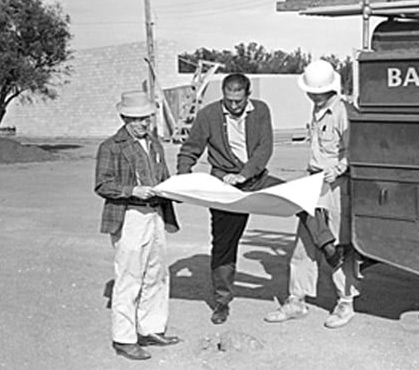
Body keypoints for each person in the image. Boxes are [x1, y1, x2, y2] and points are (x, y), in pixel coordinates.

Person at [176, 73, 282, 325]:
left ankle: (329, 248)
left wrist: (244, 174)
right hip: (224, 185)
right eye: (228, 100)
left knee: (304, 200)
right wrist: (183, 177)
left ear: (248, 95)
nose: (233, 106)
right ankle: (222, 302)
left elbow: (264, 148)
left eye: (238, 100)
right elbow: (190, 149)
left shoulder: (261, 110)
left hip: (255, 177)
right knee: (225, 244)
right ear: (223, 95)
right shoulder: (208, 115)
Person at [264, 60, 360, 329]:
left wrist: (339, 168)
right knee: (305, 242)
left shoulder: (343, 112)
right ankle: (297, 300)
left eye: (316, 93)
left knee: (337, 245)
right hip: (314, 180)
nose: (312, 96)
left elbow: (357, 150)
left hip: (338, 185)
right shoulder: (316, 110)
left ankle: (345, 302)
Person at [95, 90, 181, 360]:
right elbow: (102, 185)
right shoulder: (111, 146)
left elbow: (163, 177)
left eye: (147, 118)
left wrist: (176, 190)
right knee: (129, 278)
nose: (143, 123)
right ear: (124, 117)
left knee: (156, 274)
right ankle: (124, 338)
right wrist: (133, 190)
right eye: (137, 119)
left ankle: (151, 328)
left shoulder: (154, 143)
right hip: (130, 215)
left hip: (155, 213)